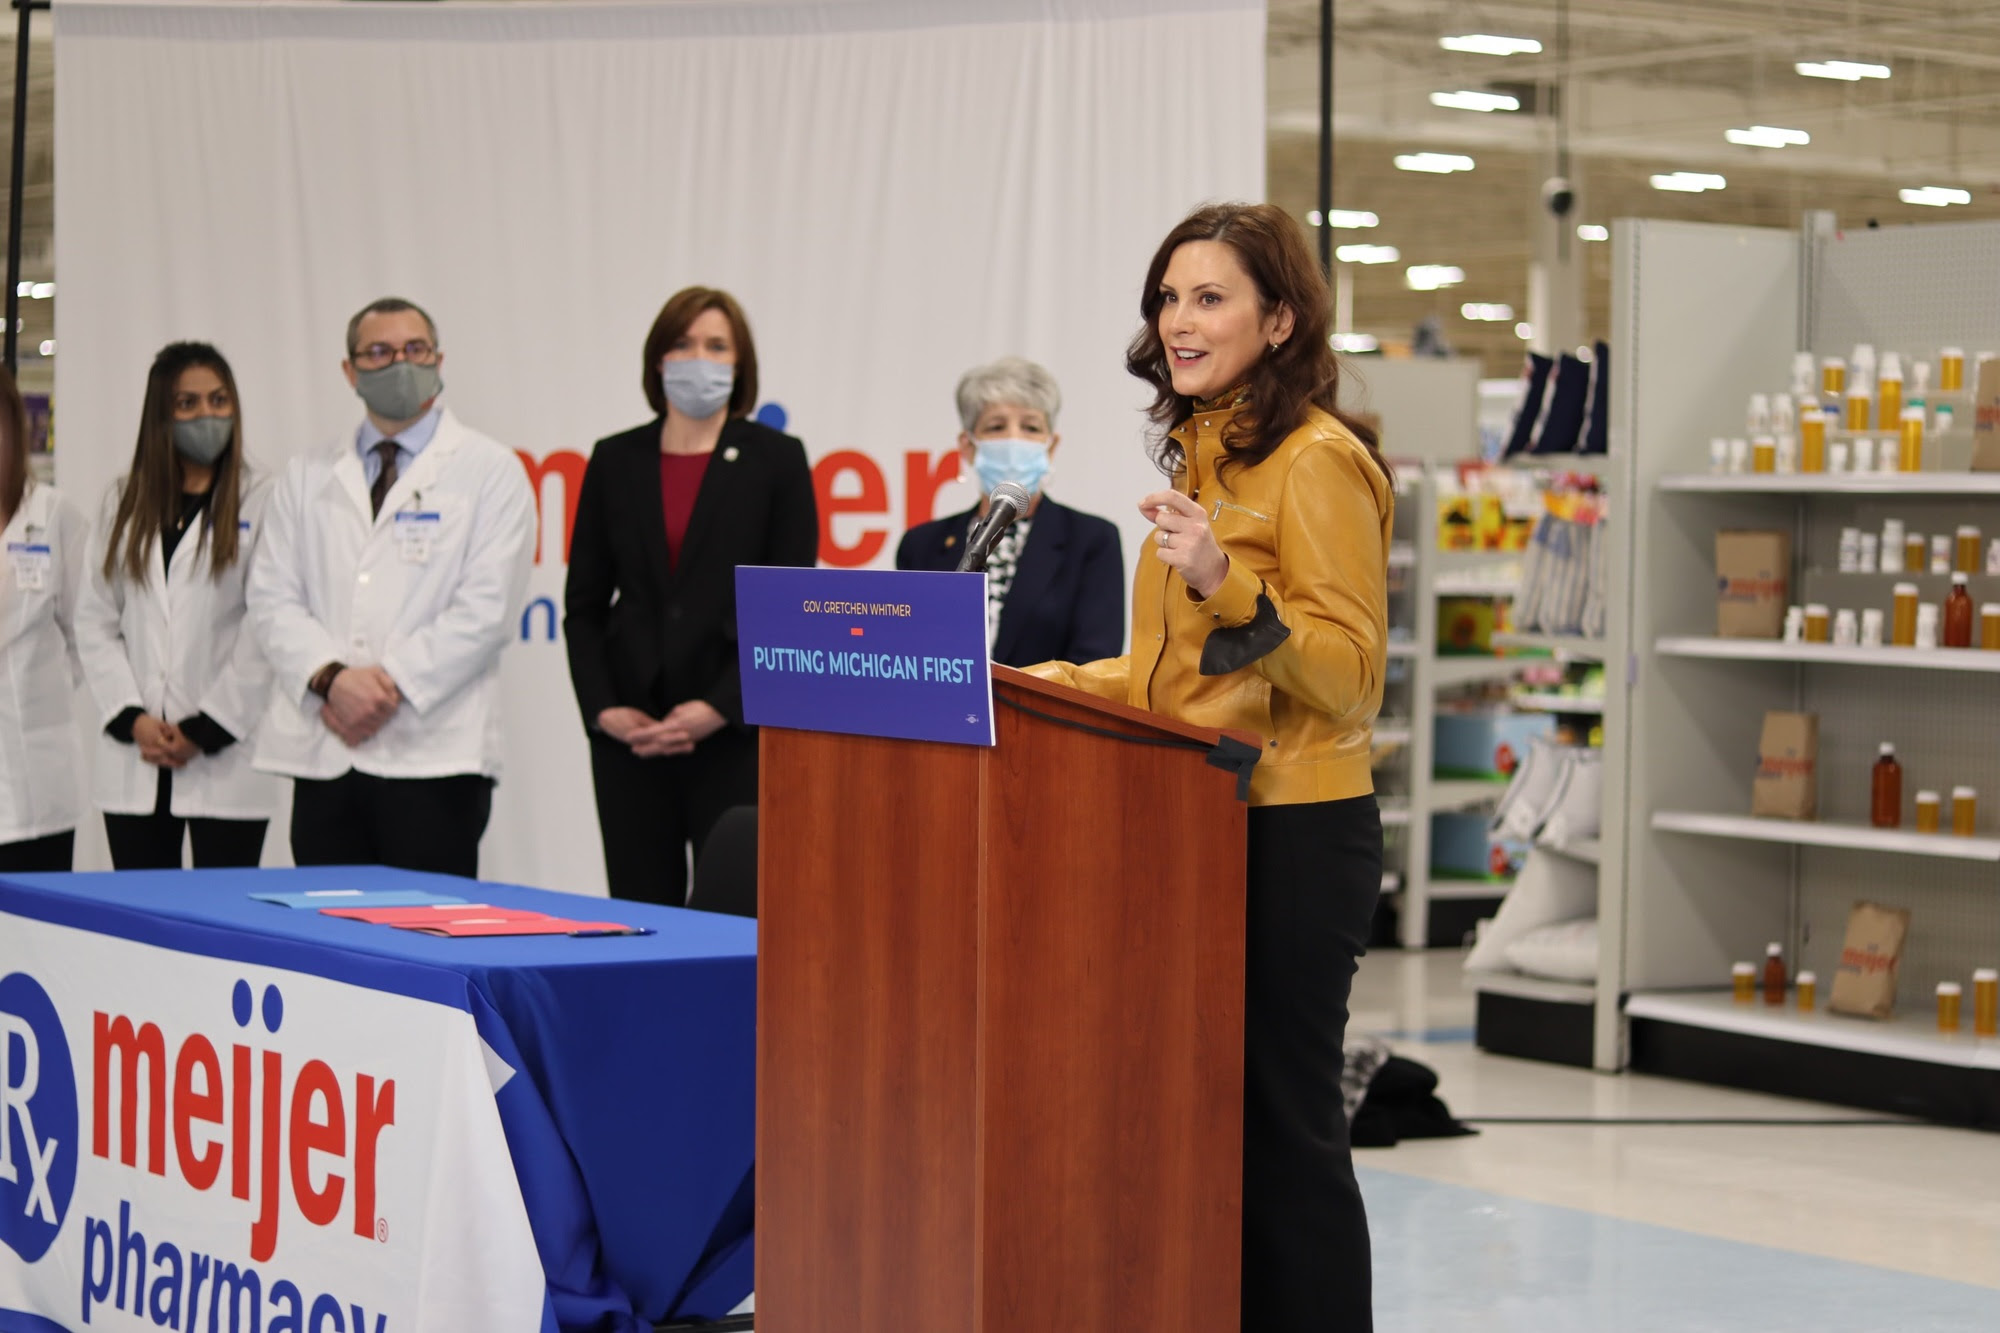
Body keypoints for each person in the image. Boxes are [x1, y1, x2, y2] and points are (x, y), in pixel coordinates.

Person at [1026, 202, 1393, 1331]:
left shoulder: (1317, 461)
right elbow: (1162, 678)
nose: (1177, 320)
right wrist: (1023, 683)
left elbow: (1348, 675)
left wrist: (1222, 581)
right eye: (1167, 297)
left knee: (1283, 1126)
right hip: (1194, 821)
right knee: (1204, 1121)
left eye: (1209, 297)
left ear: (1279, 320)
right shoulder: (1207, 450)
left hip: (1290, 830)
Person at [246, 297, 536, 878]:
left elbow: (487, 610)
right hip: (326, 757)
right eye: (379, 352)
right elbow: (271, 596)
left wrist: (384, 688)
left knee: (427, 939)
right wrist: (332, 681)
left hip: (435, 758)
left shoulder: (491, 470)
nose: (399, 363)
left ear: (439, 361)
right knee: (329, 946)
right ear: (350, 372)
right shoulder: (306, 474)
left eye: (415, 349)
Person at [565, 286, 817, 906]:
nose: (698, 358)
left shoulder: (777, 460)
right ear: (658, 359)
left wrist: (720, 706)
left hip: (733, 735)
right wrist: (604, 710)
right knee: (637, 921)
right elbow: (584, 606)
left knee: (735, 918)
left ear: (740, 364)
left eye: (716, 345)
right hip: (630, 738)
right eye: (682, 344)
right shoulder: (614, 458)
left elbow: (788, 610)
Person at [76, 342, 276, 869]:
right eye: (187, 404)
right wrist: (130, 717)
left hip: (224, 753)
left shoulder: (263, 500)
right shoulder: (122, 501)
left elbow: (267, 629)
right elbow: (94, 621)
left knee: (223, 928)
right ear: (161, 415)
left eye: (218, 400)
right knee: (142, 924)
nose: (205, 415)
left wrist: (203, 728)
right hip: (136, 750)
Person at [894, 356, 1123, 667]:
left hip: (1043, 716)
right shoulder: (921, 545)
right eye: (996, 426)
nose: (1014, 439)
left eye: (1030, 427)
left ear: (1050, 446)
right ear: (968, 446)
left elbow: (1094, 666)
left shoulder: (1092, 540)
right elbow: (907, 656)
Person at [0, 365, 87, 872]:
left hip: (37, 784)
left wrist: (35, 694)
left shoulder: (55, 517)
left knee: (29, 943)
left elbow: (85, 636)